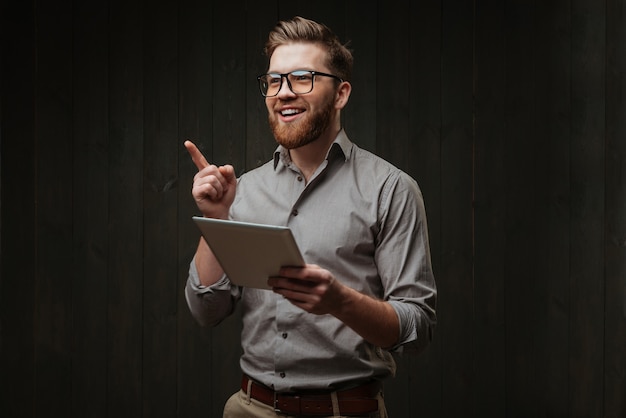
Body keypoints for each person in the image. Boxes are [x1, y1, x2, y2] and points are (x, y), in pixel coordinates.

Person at [184, 16, 437, 418]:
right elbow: (206, 311)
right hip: (249, 408)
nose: (283, 93)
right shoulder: (243, 190)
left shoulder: (391, 189)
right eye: (274, 81)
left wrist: (341, 302)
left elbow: (416, 329)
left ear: (341, 93)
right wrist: (218, 217)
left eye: (302, 78)